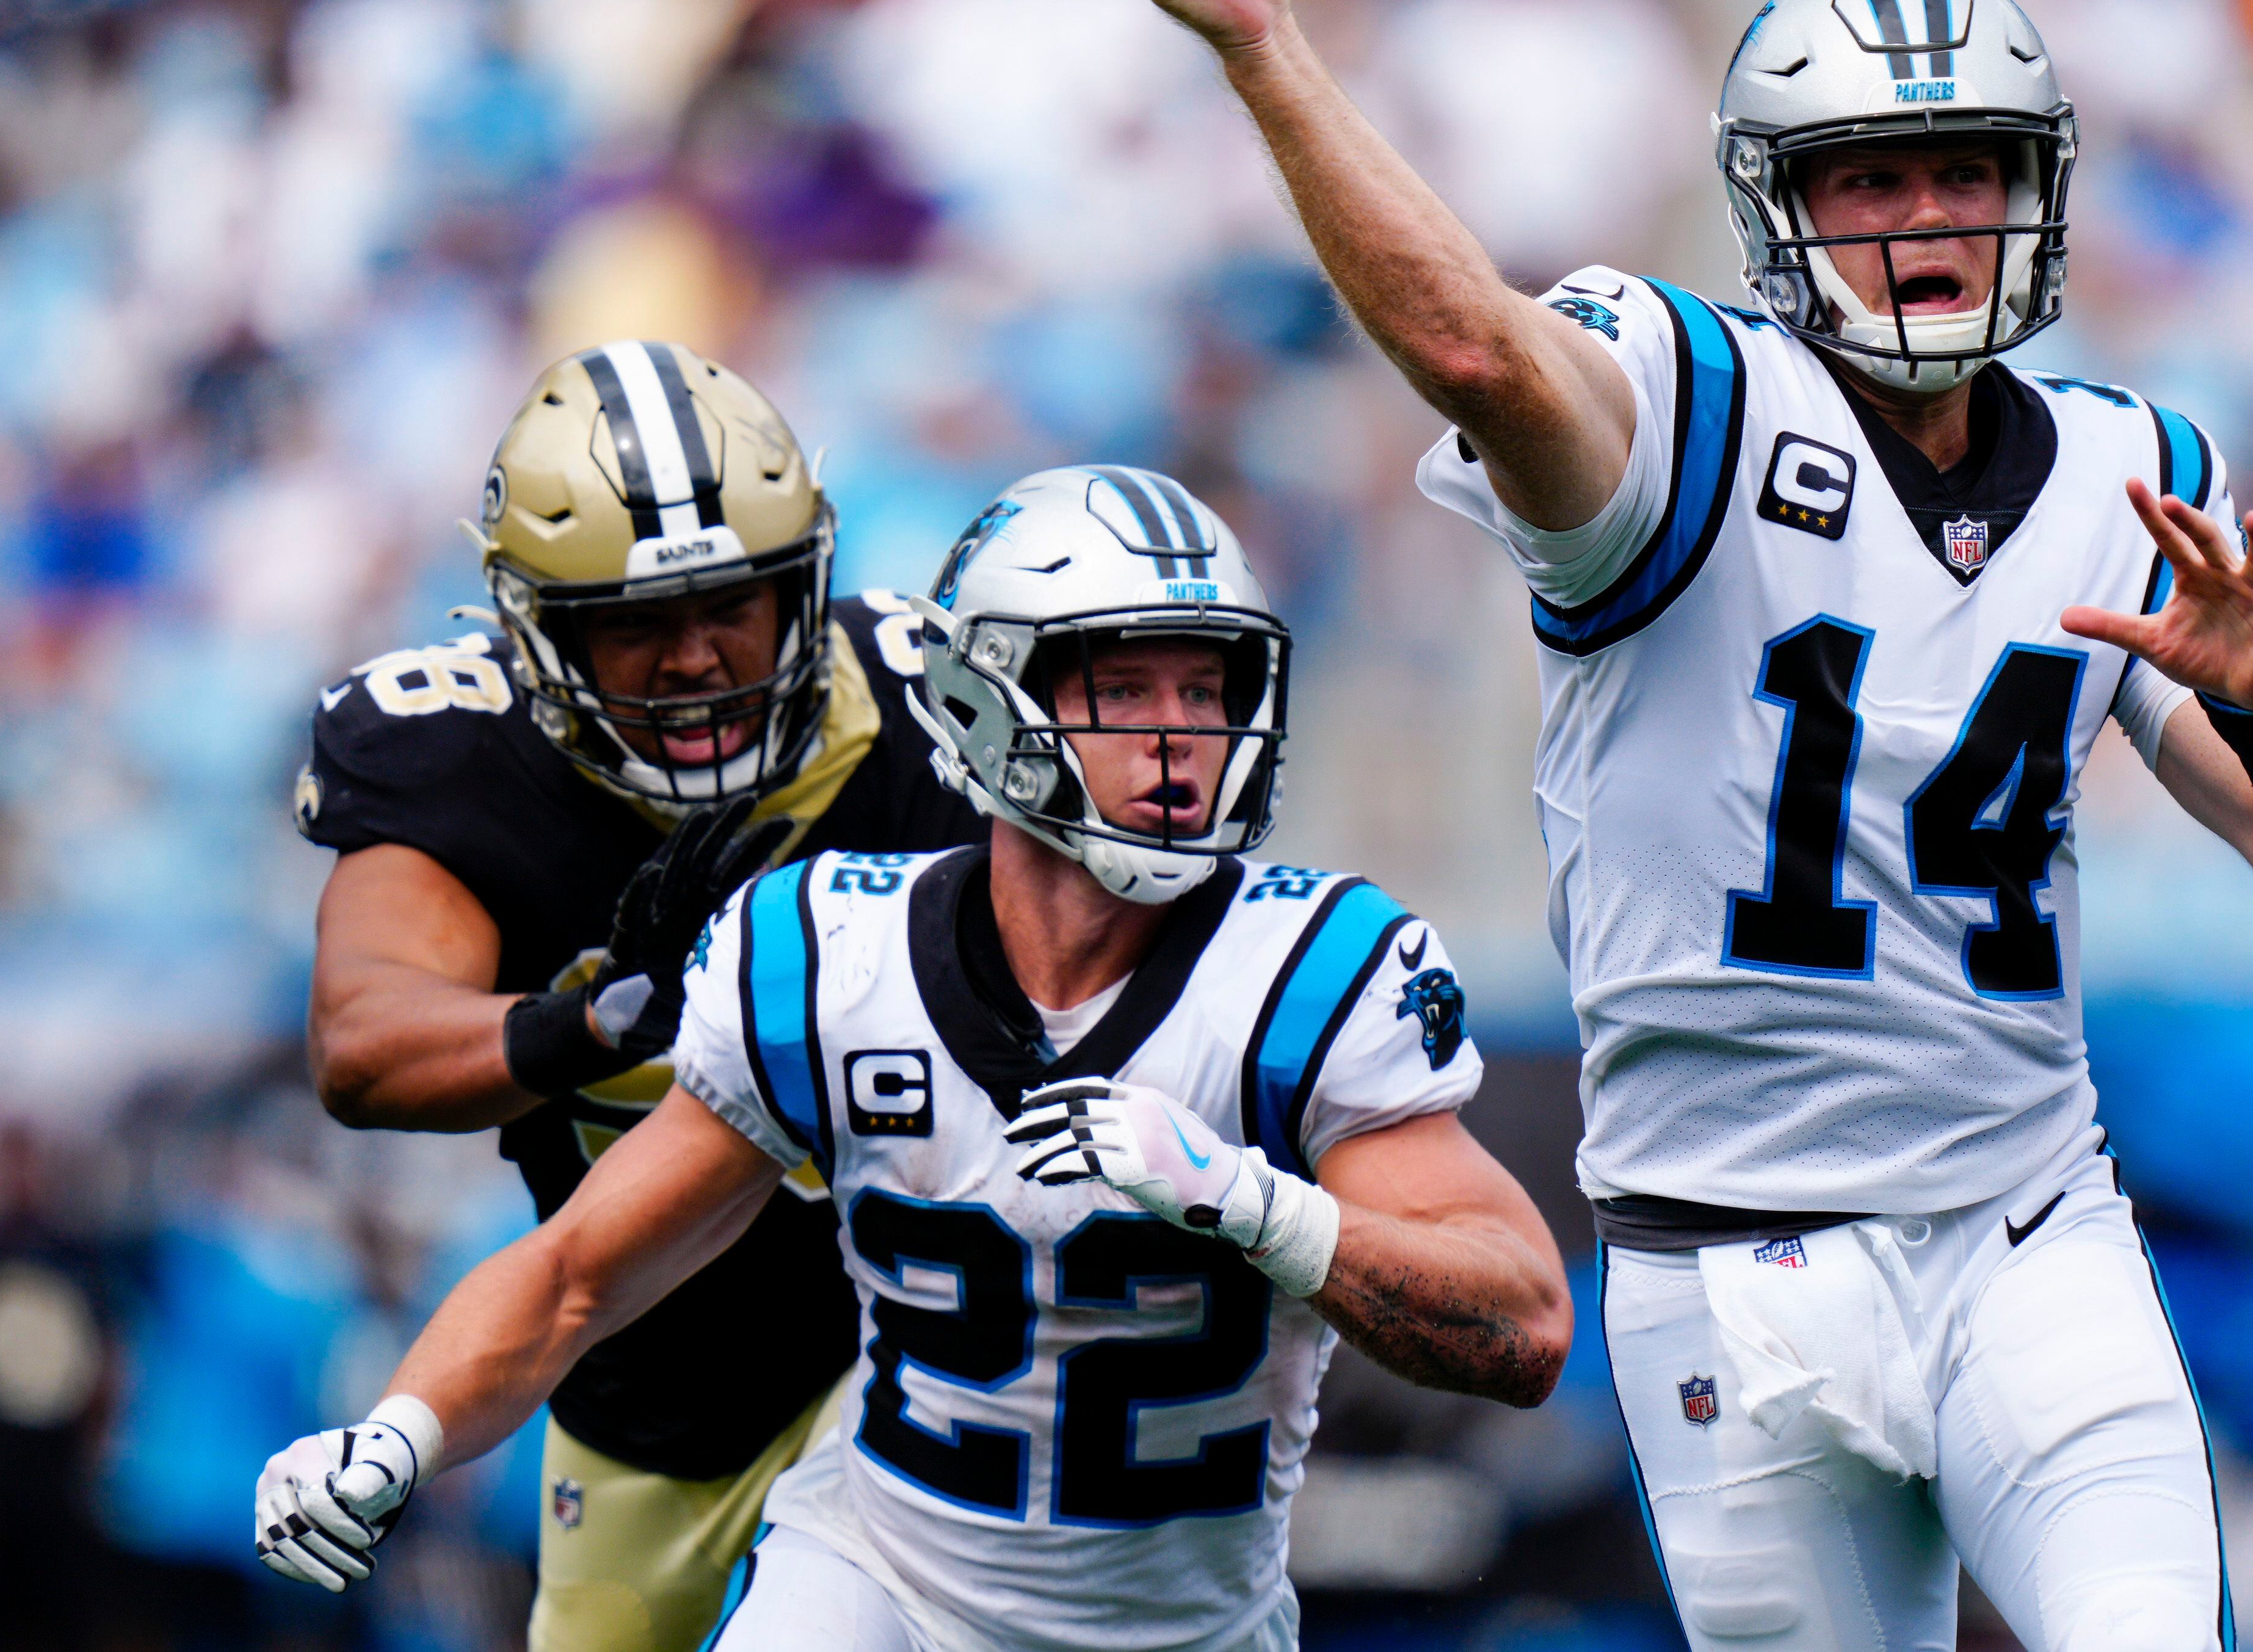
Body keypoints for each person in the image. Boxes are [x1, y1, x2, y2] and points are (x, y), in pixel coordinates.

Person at [1074, 0, 2253, 1652]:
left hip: (2027, 1228)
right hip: (1733, 1267)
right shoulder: (1685, 402)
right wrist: (1261, 45)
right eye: (1868, 174)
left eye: (1965, 168)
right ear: (1779, 207)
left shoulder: (2125, 469)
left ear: (2038, 191)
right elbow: (1476, 349)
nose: (1925, 214)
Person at [255, 466, 1572, 1651]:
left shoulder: (1315, 968)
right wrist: (399, 1432)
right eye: (1120, 683)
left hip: (1184, 1622)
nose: (1180, 737)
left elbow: (1522, 1326)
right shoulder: (834, 948)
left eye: (1206, 684)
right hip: (877, 1579)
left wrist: (1261, 1208)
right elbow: (573, 1276)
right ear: (978, 702)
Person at [292, 341, 982, 1651]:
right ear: (533, 631)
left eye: (734, 603)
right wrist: (590, 1018)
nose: (695, 658)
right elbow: (363, 1041)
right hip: (644, 1389)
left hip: (934, 1346)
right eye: (632, 623)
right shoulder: (458, 751)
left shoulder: (931, 708)